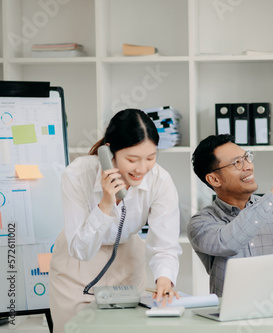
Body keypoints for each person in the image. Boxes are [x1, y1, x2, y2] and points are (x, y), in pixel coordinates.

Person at [49, 109, 182, 332]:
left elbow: (165, 244)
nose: (142, 169)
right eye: (132, 159)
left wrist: (164, 279)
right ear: (109, 151)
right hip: (77, 268)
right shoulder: (77, 175)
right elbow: (80, 249)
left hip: (127, 263)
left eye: (150, 158)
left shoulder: (161, 180)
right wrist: (106, 203)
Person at [188, 134, 273, 297]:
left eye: (247, 157)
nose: (248, 166)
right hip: (229, 319)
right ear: (214, 179)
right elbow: (229, 242)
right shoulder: (201, 223)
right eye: (237, 162)